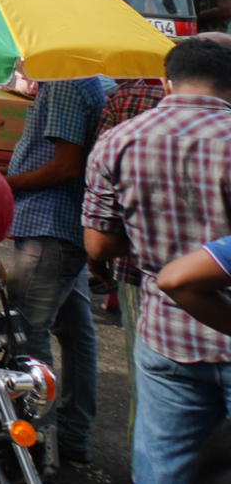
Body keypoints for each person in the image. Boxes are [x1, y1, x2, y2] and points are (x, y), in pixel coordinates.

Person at [84, 38, 231, 484]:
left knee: (165, 469)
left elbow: (98, 246)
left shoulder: (117, 141)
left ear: (167, 83)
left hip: (165, 331)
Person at [0, 75, 107, 475]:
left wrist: (4, 183)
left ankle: (35, 450)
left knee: (26, 333)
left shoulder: (64, 82)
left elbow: (66, 165)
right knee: (77, 335)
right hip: (64, 227)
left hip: (51, 226)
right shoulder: (85, 81)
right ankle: (73, 437)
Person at [87, 73, 166, 432]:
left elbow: (100, 235)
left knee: (150, 388)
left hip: (138, 269)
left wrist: (97, 260)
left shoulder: (123, 106)